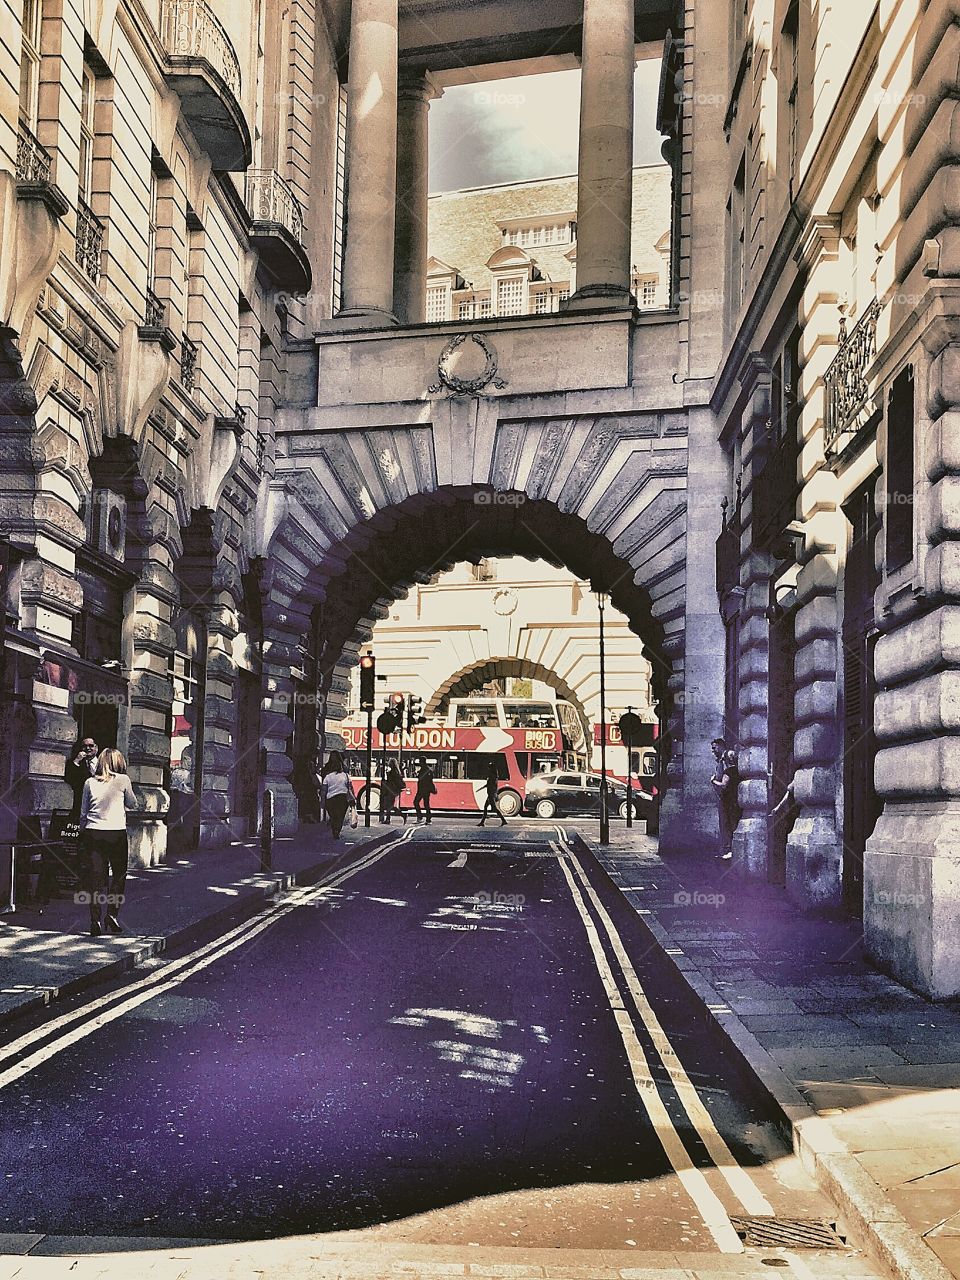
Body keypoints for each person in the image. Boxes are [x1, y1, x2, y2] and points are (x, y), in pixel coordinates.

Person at [79, 748, 137, 937]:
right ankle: (112, 914)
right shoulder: (123, 780)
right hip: (116, 834)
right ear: (118, 763)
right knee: (119, 875)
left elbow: (83, 812)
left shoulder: (89, 782)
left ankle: (94, 919)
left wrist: (82, 831)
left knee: (95, 878)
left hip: (93, 833)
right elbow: (132, 803)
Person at [710, 737, 741, 861]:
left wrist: (713, 781)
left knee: (729, 822)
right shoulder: (721, 759)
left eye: (714, 747)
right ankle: (726, 849)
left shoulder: (729, 756)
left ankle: (729, 850)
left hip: (730, 797)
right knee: (725, 823)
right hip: (725, 797)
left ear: (721, 745)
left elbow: (726, 781)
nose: (713, 751)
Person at [319, 751, 357, 839]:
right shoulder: (346, 775)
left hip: (330, 799)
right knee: (340, 817)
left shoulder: (327, 775)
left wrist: (323, 801)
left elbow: (324, 790)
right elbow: (350, 787)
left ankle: (334, 830)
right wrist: (353, 798)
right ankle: (337, 831)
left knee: (333, 816)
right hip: (342, 798)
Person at [66, 736, 99, 818]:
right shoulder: (76, 763)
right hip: (81, 804)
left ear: (96, 747)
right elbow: (69, 778)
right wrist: (77, 760)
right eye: (85, 746)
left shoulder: (102, 763)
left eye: (91, 746)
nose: (87, 748)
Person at [478, 762, 506, 827]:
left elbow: (491, 785)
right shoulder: (495, 776)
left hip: (491, 794)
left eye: (489, 767)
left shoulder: (491, 776)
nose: (488, 768)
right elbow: (492, 785)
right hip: (491, 794)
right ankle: (482, 822)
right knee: (486, 807)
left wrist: (488, 789)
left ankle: (503, 820)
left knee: (494, 808)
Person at [381, 760, 407, 824]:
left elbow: (390, 781)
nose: (389, 764)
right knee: (389, 805)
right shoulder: (396, 771)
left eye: (390, 763)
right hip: (393, 790)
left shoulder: (393, 772)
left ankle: (401, 815)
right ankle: (388, 819)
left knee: (389, 806)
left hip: (391, 790)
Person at [414, 758, 436, 824]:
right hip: (427, 789)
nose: (419, 763)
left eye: (420, 762)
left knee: (416, 802)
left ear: (422, 762)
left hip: (422, 789)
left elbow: (421, 779)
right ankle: (428, 819)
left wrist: (417, 775)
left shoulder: (423, 770)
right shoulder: (428, 769)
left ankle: (420, 818)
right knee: (426, 804)